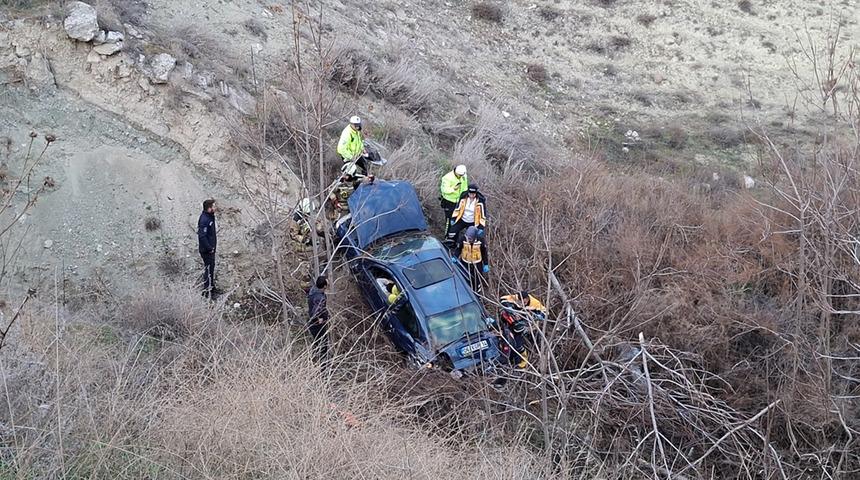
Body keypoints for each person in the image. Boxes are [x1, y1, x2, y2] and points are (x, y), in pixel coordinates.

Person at [499, 290, 547, 368]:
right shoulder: (514, 298)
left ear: (527, 299)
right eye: (520, 302)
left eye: (524, 302)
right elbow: (502, 299)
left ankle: (523, 362)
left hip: (528, 324)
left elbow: (545, 313)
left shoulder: (534, 303)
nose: (522, 304)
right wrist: (512, 310)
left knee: (519, 345)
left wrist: (534, 315)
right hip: (513, 323)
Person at [452, 226, 489, 294]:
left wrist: (486, 264)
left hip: (477, 263)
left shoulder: (480, 240)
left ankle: (477, 294)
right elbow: (458, 249)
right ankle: (465, 292)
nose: (469, 239)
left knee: (477, 280)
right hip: (465, 263)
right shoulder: (462, 239)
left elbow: (484, 253)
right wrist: (455, 257)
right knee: (465, 278)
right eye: (468, 237)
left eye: (470, 238)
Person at [197, 198, 218, 298]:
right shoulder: (204, 219)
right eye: (213, 206)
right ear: (209, 208)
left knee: (211, 269)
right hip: (207, 251)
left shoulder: (209, 216)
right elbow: (202, 236)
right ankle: (207, 292)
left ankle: (212, 288)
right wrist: (210, 248)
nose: (215, 208)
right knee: (208, 270)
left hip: (210, 249)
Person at [439, 165, 468, 234]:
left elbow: (465, 187)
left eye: (462, 175)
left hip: (460, 202)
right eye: (459, 175)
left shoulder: (464, 176)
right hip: (449, 202)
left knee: (458, 220)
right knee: (449, 221)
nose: (461, 176)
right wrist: (453, 189)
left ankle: (455, 236)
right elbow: (444, 190)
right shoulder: (447, 178)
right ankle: (447, 237)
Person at [307, 275, 330, 361]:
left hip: (313, 325)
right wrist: (318, 319)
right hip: (317, 326)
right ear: (324, 286)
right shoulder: (319, 298)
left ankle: (314, 363)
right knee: (323, 346)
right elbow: (315, 312)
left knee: (317, 344)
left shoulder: (313, 291)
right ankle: (324, 368)